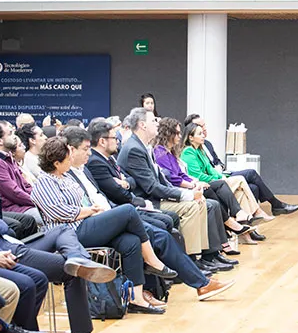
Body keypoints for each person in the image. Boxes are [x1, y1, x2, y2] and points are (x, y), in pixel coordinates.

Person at [0, 139, 121, 333]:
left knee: (63, 234)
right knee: (70, 271)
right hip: (2, 250)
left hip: (10, 244)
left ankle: (78, 258)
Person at [60, 127, 236, 300]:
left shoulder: (84, 170)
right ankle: (168, 270)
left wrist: (121, 193)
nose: (89, 153)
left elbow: (119, 188)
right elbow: (71, 209)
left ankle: (151, 293)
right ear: (71, 150)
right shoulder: (66, 174)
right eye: (85, 149)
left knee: (148, 238)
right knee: (143, 221)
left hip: (108, 215)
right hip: (90, 223)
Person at [31, 136, 177, 314]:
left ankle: (136, 299)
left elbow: (81, 202)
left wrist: (92, 210)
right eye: (67, 159)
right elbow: (61, 212)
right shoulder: (44, 182)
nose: (71, 160)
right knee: (128, 211)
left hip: (85, 222)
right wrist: (90, 211)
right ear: (56, 163)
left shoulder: (65, 177)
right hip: (70, 234)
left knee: (130, 242)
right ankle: (151, 259)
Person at [117, 108, 208, 256]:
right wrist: (187, 195)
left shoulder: (145, 146)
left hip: (156, 196)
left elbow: (162, 180)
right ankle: (191, 257)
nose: (157, 124)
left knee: (200, 202)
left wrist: (187, 192)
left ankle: (203, 254)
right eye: (153, 121)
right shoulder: (135, 149)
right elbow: (151, 187)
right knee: (191, 206)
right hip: (147, 201)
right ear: (142, 125)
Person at [154, 118, 256, 245]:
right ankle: (232, 224)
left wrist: (196, 182)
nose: (180, 136)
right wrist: (194, 184)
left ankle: (231, 229)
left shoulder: (173, 152)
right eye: (177, 133)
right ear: (169, 133)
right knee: (217, 193)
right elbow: (172, 178)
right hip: (176, 191)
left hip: (188, 185)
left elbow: (183, 174)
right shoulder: (163, 152)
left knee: (229, 192)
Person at [185, 114, 298, 219]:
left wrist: (220, 168)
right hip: (212, 180)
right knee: (250, 174)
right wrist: (219, 177)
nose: (204, 129)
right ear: (190, 133)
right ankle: (269, 207)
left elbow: (216, 162)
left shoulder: (206, 145)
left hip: (220, 174)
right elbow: (198, 174)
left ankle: (249, 223)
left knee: (253, 187)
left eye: (204, 125)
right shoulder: (189, 151)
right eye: (200, 128)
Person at [177, 121, 273, 226]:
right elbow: (197, 175)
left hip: (212, 180)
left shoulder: (200, 150)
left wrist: (220, 176)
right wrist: (218, 179)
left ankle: (244, 222)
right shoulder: (188, 152)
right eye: (199, 134)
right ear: (191, 137)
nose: (203, 135)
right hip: (203, 183)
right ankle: (256, 211)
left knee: (240, 192)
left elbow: (210, 168)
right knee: (240, 179)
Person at [0, 121, 44, 228]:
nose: (14, 137)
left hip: (23, 205)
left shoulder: (7, 157)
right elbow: (14, 193)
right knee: (51, 215)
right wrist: (39, 202)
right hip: (14, 209)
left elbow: (26, 186)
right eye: (10, 134)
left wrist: (41, 198)